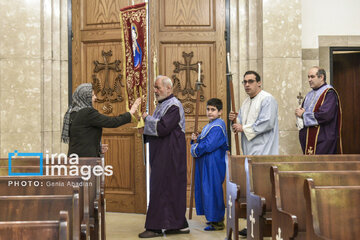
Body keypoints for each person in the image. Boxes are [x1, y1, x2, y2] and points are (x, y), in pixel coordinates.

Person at [228, 70, 279, 237]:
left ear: (259, 83)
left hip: (264, 151)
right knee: (252, 190)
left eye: (250, 81)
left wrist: (243, 127)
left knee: (262, 190)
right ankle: (252, 223)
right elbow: (240, 125)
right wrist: (234, 121)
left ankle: (264, 225)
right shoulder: (245, 102)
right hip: (250, 151)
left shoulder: (267, 99)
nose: (247, 85)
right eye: (244, 82)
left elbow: (267, 123)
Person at [139, 75, 189, 238]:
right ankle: (175, 224)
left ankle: (154, 227)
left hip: (170, 157)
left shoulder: (173, 106)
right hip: (164, 155)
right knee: (167, 189)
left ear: (169, 88)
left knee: (162, 189)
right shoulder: (163, 105)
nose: (155, 91)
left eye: (158, 87)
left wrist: (147, 119)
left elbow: (163, 128)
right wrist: (145, 127)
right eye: (154, 87)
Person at [61, 83, 141, 157]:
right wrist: (131, 112)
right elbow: (112, 122)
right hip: (86, 161)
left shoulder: (72, 112)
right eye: (92, 95)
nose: (95, 97)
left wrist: (97, 147)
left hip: (75, 158)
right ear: (85, 98)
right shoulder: (87, 112)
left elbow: (82, 137)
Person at [190, 98, 228, 231]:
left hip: (213, 164)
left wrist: (195, 148)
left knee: (213, 190)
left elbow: (208, 145)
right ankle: (212, 218)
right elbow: (202, 140)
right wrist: (196, 139)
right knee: (207, 190)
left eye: (213, 110)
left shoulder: (218, 126)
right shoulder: (210, 125)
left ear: (220, 112)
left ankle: (217, 221)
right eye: (208, 109)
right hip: (207, 164)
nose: (210, 112)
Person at [295, 66, 342, 154]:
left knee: (321, 166)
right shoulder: (309, 94)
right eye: (308, 77)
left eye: (312, 77)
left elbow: (325, 115)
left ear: (321, 77)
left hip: (322, 139)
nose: (309, 80)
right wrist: (299, 114)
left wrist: (303, 115)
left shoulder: (329, 93)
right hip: (309, 138)